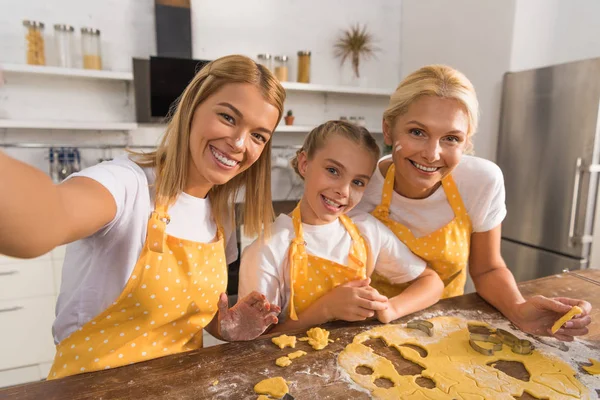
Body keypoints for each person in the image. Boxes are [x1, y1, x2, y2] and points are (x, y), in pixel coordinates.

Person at [0, 55, 285, 378]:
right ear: (192, 107)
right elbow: (46, 218)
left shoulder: (219, 215)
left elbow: (186, 313)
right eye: (228, 117)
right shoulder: (126, 184)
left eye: (258, 136)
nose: (238, 143)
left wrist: (227, 327)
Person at [354, 64, 592, 341]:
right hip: (362, 328)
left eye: (451, 139)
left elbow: (487, 268)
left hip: (444, 330)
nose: (432, 154)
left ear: (466, 143)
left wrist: (518, 309)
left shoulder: (480, 182)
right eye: (417, 132)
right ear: (388, 129)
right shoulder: (358, 187)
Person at [239, 121, 443, 332]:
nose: (344, 191)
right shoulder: (269, 248)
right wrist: (326, 309)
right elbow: (252, 344)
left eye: (358, 182)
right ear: (304, 164)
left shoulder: (367, 231)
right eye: (333, 171)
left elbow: (432, 283)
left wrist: (391, 308)